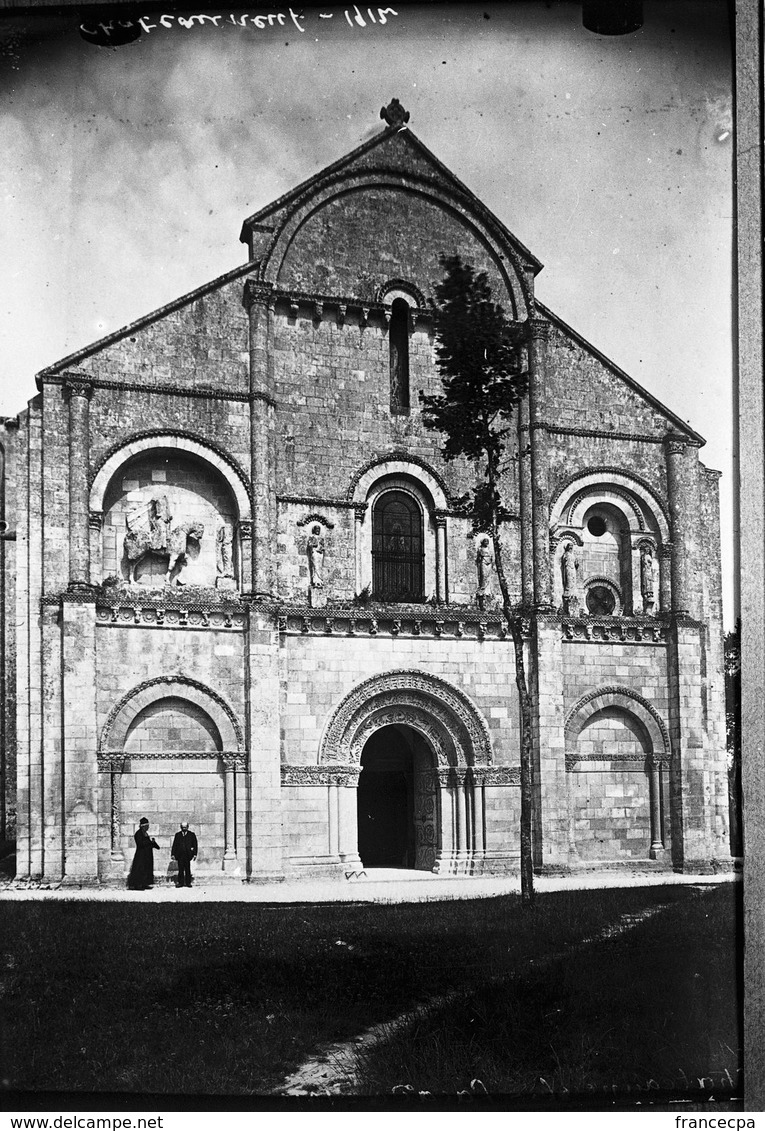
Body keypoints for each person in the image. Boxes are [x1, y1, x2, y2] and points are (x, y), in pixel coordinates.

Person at [127, 818, 160, 890]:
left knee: (146, 869)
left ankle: (144, 883)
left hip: (147, 855)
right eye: (147, 826)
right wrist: (150, 842)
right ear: (143, 826)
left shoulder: (145, 833)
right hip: (141, 855)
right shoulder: (138, 834)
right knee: (140, 869)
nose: (148, 827)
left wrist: (154, 844)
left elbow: (148, 843)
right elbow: (140, 844)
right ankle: (138, 884)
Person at [171, 821, 198, 888]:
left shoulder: (191, 835)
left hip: (188, 855)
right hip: (180, 855)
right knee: (180, 869)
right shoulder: (178, 835)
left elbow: (195, 844)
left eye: (185, 827)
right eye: (183, 827)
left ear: (187, 827)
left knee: (187, 869)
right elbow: (174, 845)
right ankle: (180, 882)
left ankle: (188, 882)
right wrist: (173, 854)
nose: (184, 829)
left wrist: (195, 854)